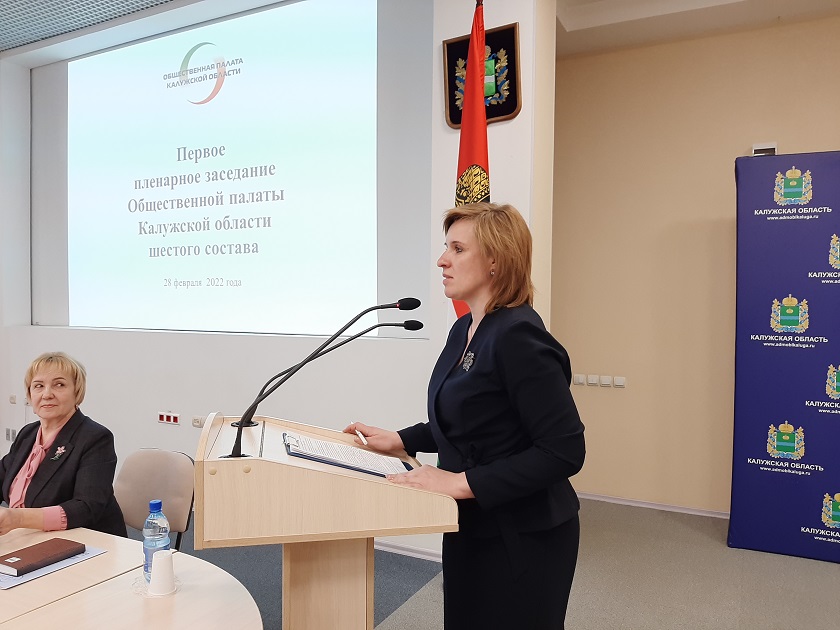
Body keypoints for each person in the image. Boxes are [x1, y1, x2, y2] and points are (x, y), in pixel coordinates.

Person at [346, 202, 585, 629]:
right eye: (446, 248)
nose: (442, 260)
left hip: (524, 534)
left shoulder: (519, 336)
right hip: (473, 522)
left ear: (496, 261)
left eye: (458, 249)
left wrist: (458, 482)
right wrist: (401, 439)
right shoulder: (466, 328)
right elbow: (471, 420)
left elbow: (564, 451)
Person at [0, 352, 126, 537]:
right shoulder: (28, 433)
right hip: (28, 537)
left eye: (59, 385)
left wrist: (18, 519)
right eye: (38, 386)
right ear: (30, 395)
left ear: (77, 392)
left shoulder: (95, 438)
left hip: (85, 542)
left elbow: (86, 507)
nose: (47, 394)